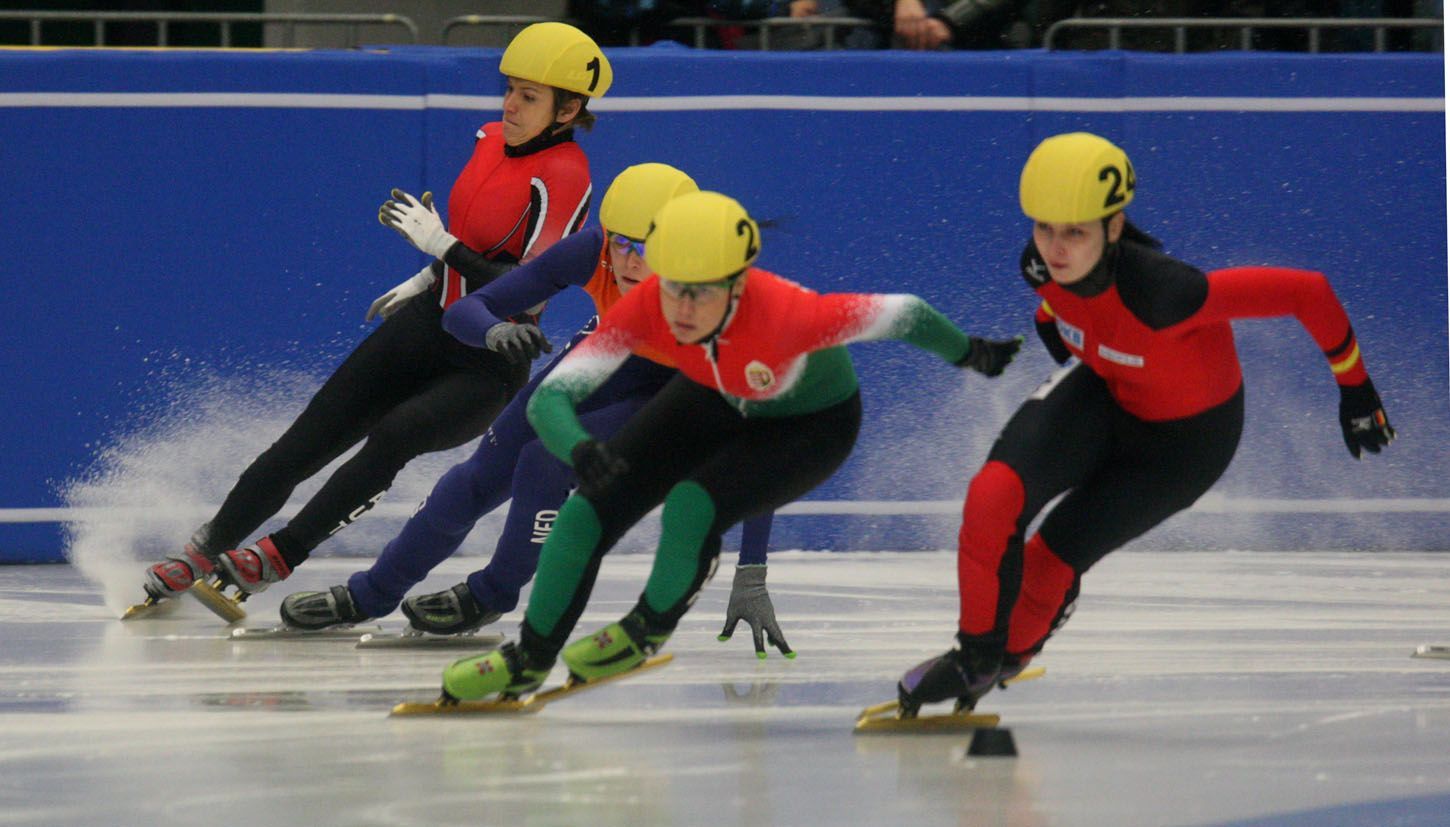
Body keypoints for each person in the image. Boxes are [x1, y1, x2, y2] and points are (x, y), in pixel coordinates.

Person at [435, 190, 1024, 702]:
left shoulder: (794, 315)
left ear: (740, 283)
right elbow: (551, 400)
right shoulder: (649, 304)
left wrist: (971, 352)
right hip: (716, 392)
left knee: (694, 506)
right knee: (588, 507)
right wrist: (581, 448)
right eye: (674, 291)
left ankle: (647, 628)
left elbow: (907, 314)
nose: (683, 310)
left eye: (703, 294)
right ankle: (528, 659)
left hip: (809, 424)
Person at [895, 132, 1396, 716]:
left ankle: (1013, 653)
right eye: (1044, 228)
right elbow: (1059, 300)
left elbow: (1305, 292)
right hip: (1108, 394)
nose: (1056, 248)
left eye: (1075, 231)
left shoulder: (1167, 292)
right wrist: (1050, 321)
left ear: (1113, 227)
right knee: (993, 494)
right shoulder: (1038, 265)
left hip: (1185, 447)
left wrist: (1356, 388)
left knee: (1051, 559)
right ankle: (976, 655)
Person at [135, 22, 612, 608]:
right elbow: (476, 239)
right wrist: (427, 276)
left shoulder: (564, 172)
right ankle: (203, 550)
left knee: (394, 435)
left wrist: (442, 250)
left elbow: (526, 290)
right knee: (307, 439)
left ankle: (278, 555)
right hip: (428, 322)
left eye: (529, 97)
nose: (510, 103)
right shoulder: (489, 139)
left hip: (488, 355)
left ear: (567, 111)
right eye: (510, 87)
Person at [277, 163, 791, 657]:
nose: (631, 262)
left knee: (546, 461)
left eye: (649, 248)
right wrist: (494, 330)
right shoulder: (594, 251)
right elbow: (465, 311)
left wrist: (752, 573)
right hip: (612, 356)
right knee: (474, 478)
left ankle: (492, 593)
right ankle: (370, 593)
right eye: (623, 243)